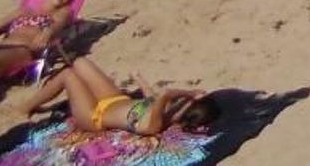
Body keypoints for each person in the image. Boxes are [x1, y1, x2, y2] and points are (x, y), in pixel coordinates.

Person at [15, 54, 216, 137]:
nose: (179, 102)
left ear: (184, 115)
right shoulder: (163, 112)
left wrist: (190, 93)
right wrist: (138, 78)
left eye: (184, 104)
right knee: (79, 62)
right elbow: (152, 98)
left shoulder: (154, 125)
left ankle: (25, 107)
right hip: (115, 99)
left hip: (95, 116)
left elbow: (164, 94)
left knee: (68, 75)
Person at [0, 0, 80, 84]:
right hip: (3, 47)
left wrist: (48, 32)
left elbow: (57, 25)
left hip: (24, 51)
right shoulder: (23, 11)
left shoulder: (63, 13)